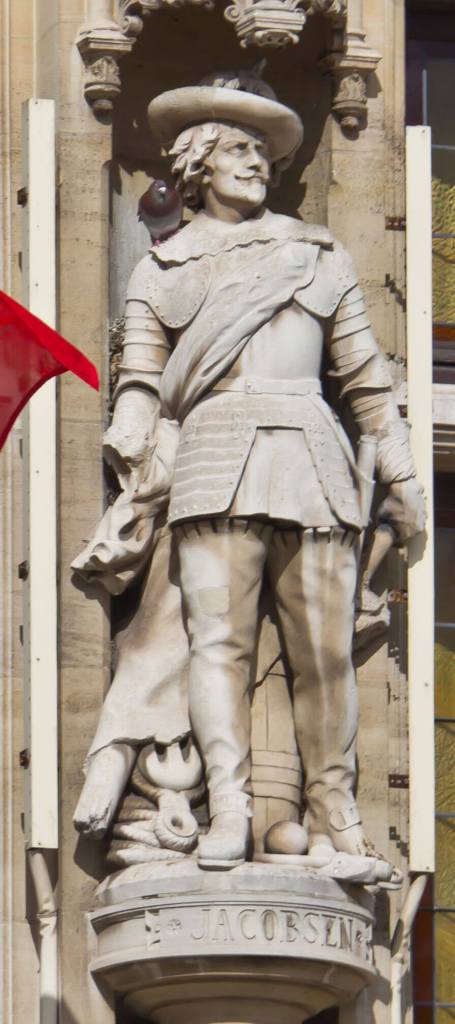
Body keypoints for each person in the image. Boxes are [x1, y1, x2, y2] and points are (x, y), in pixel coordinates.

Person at [73, 69, 425, 870]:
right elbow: (140, 380)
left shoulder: (318, 253)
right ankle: (226, 810)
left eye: (263, 151)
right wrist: (131, 427)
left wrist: (402, 473)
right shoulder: (159, 269)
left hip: (313, 456)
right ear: (196, 160)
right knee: (218, 647)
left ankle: (334, 817)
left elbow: (365, 377)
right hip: (214, 455)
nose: (256, 162)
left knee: (324, 650)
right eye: (239, 147)